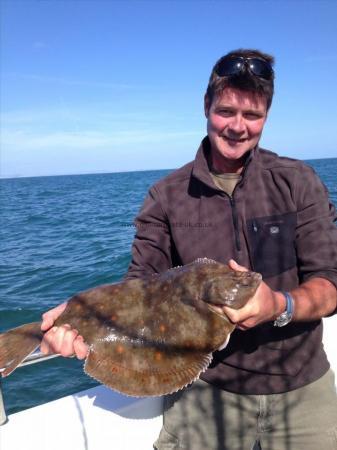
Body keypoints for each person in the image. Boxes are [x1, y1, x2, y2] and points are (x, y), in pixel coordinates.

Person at [41, 49, 337, 450]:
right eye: (226, 111)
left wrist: (278, 305)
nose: (237, 127)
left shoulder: (298, 181)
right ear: (206, 107)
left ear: (267, 116)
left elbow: (329, 282)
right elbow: (140, 287)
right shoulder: (166, 196)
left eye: (252, 116)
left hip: (301, 382)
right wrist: (80, 314)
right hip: (208, 384)